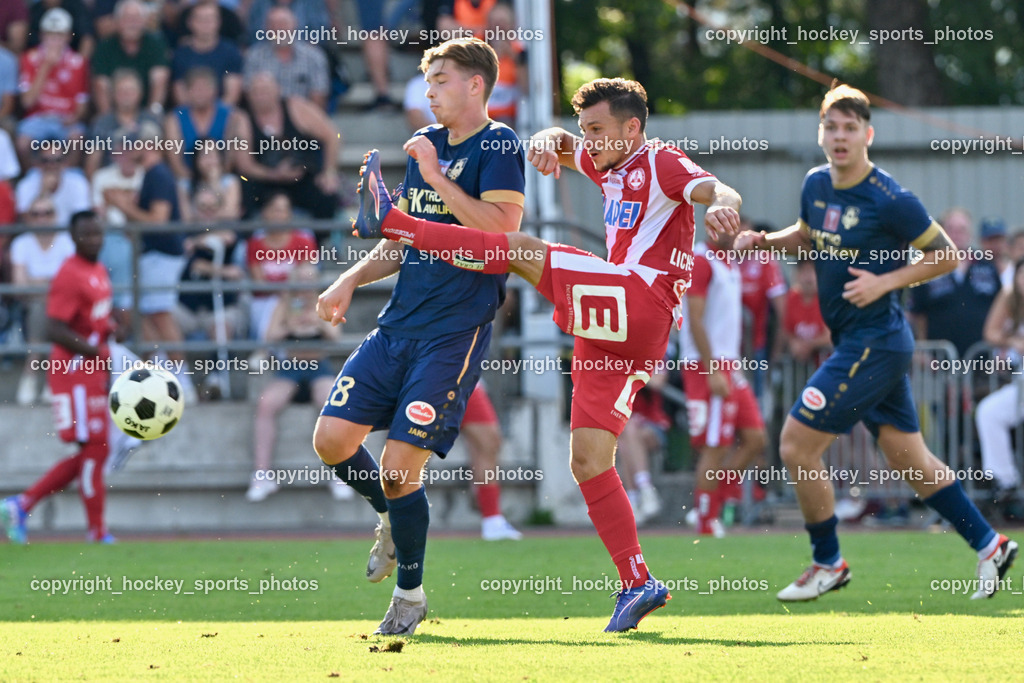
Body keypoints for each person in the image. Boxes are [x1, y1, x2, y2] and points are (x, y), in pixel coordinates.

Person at [347, 75, 742, 630]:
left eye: (598, 130)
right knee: (588, 459)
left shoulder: (659, 160)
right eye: (586, 129)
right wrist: (547, 139)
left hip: (640, 299)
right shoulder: (607, 161)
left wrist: (723, 206)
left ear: (632, 128)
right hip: (615, 328)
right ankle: (637, 582)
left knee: (518, 248)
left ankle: (395, 224)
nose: (590, 141)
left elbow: (718, 190)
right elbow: (561, 144)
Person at [732, 83, 1017, 601]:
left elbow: (947, 255)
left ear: (868, 134)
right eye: (831, 127)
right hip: (861, 341)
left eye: (850, 128)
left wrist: (885, 282)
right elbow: (807, 235)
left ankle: (827, 562)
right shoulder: (816, 183)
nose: (840, 137)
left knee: (795, 444)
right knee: (912, 460)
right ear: (821, 133)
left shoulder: (890, 198)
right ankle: (989, 544)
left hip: (876, 341)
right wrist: (763, 242)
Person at [312, 38, 526, 636]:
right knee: (331, 441)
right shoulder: (426, 143)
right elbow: (404, 236)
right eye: (427, 81)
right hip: (398, 325)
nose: (428, 92)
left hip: (453, 334)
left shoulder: (499, 144)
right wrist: (349, 278)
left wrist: (434, 175)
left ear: (476, 85)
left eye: (440, 80)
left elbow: (501, 231)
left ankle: (409, 595)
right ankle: (391, 517)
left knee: (400, 466)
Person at [1, 211, 115, 544]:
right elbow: (54, 328)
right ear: (74, 237)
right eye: (87, 235)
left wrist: (111, 328)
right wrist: (94, 351)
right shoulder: (68, 274)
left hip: (92, 369)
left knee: (96, 450)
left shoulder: (97, 270)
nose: (93, 240)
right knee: (95, 447)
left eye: (97, 234)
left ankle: (22, 504)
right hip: (74, 372)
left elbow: (91, 320)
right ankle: (96, 531)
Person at [680, 231, 767, 537]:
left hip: (730, 363)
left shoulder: (728, 261)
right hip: (708, 364)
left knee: (755, 438)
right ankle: (706, 520)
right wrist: (712, 368)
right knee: (716, 444)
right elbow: (694, 317)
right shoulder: (702, 261)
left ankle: (714, 500)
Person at [246, 264, 350, 502]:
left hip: (318, 367)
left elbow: (336, 336)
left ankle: (340, 473)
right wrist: (290, 327)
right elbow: (269, 337)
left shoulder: (326, 302)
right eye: (300, 280)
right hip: (290, 368)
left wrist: (317, 321)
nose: (304, 287)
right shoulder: (284, 304)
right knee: (266, 403)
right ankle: (261, 475)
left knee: (333, 402)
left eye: (308, 280)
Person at [11, 196, 75, 405]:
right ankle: (51, 380)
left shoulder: (66, 240)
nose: (42, 218)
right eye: (36, 214)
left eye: (47, 213)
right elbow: (20, 286)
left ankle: (30, 374)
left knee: (46, 309)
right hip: (33, 305)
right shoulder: (21, 243)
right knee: (43, 309)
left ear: (55, 216)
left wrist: (37, 283)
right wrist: (51, 283)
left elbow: (70, 284)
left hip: (58, 305)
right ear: (29, 218)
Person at [974, 257, 1024, 520]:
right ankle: (1005, 482)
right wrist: (1013, 341)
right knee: (989, 411)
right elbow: (991, 332)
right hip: (1021, 382)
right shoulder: (1010, 298)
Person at [459, 383, 523, 540]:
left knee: (490, 443)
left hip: (466, 382)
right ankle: (402, 519)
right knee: (417, 451)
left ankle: (492, 521)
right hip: (429, 381)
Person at [783, 258, 831, 365]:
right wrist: (793, 343)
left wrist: (808, 345)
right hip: (799, 366)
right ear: (797, 274)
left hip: (825, 363)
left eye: (812, 270)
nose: (808, 277)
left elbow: (830, 337)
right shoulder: (792, 298)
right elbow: (787, 331)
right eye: (804, 270)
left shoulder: (827, 298)